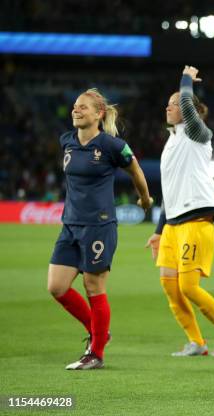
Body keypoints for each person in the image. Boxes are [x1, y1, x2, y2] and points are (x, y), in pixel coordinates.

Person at [48, 88, 153, 370]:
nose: (76, 110)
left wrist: (144, 198)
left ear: (99, 114)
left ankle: (96, 353)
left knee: (93, 286)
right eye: (75, 106)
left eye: (83, 107)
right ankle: (99, 331)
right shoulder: (67, 141)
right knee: (57, 287)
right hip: (70, 225)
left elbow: (136, 170)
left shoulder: (112, 146)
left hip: (99, 226)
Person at [145, 66, 214, 357]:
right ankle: (196, 342)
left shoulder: (198, 134)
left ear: (191, 111)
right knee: (171, 288)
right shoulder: (171, 141)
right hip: (173, 225)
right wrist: (159, 231)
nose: (169, 107)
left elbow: (187, 102)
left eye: (175, 103)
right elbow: (170, 191)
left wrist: (185, 80)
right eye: (169, 103)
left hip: (197, 220)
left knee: (188, 287)